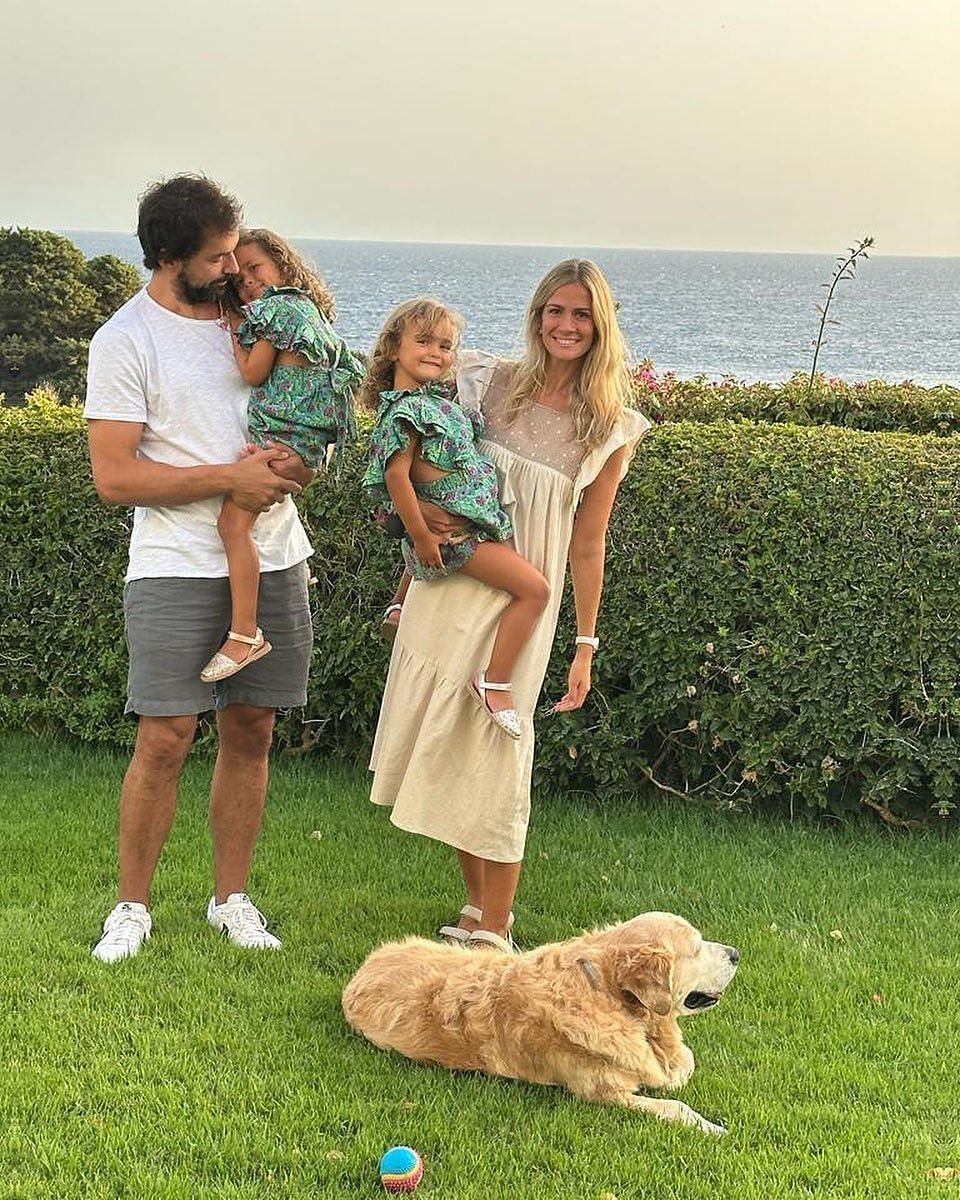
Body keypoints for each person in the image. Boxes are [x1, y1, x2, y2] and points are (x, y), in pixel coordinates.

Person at [369, 259, 650, 953]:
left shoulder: (611, 427)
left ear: (600, 326)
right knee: (451, 741)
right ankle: (474, 907)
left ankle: (496, 926)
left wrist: (585, 645)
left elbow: (589, 545)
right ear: (537, 317)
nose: (566, 324)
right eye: (556, 310)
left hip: (526, 596)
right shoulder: (484, 381)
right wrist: (416, 518)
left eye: (581, 314)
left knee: (498, 752)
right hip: (455, 582)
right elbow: (398, 409)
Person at [84, 175, 315, 962]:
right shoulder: (125, 340)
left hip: (277, 553)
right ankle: (132, 908)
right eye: (217, 257)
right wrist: (228, 480)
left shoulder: (256, 323)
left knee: (251, 730)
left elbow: (306, 415)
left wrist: (295, 466)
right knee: (166, 737)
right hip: (174, 564)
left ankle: (231, 900)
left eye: (235, 254)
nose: (232, 270)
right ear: (168, 256)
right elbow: (114, 478)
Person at [361, 298, 549, 738]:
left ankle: (399, 603)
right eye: (423, 341)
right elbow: (396, 477)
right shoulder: (406, 413)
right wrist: (422, 536)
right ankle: (495, 681)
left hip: (467, 522)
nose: (436, 352)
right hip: (459, 538)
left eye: (445, 346)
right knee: (535, 591)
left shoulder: (437, 403)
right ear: (393, 348)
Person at [200, 228, 364, 683]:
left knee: (232, 526)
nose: (247, 282)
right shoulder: (309, 312)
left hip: (283, 442)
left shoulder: (274, 312)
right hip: (305, 444)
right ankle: (286, 582)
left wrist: (235, 333)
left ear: (282, 265)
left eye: (255, 269)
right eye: (240, 280)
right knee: (244, 524)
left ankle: (245, 632)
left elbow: (253, 373)